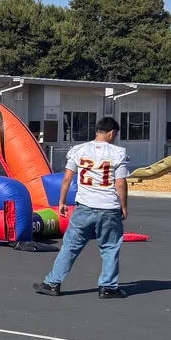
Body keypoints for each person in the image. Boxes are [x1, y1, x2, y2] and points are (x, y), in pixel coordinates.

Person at [34, 116, 131, 298]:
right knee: (110, 247)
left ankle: (52, 283)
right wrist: (123, 206)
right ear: (111, 133)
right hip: (108, 207)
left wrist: (62, 201)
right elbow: (120, 183)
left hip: (84, 206)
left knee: (70, 245)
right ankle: (108, 287)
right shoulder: (118, 153)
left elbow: (67, 178)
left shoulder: (78, 150)